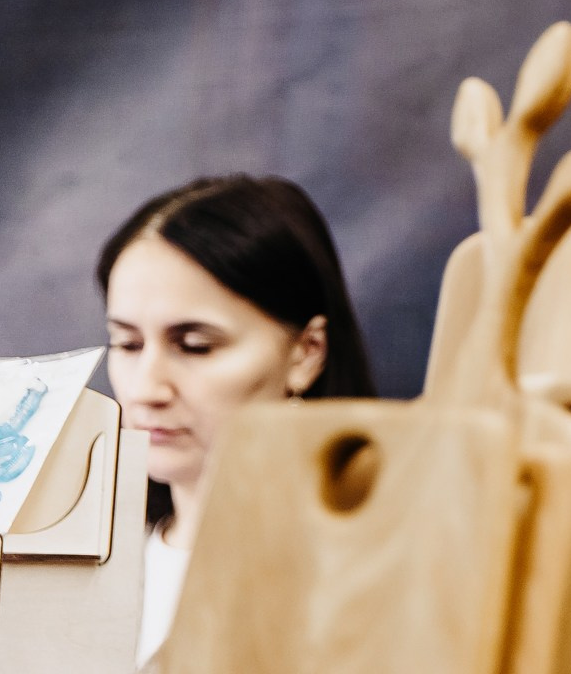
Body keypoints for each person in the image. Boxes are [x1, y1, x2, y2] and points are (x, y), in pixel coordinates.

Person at [98, 175, 376, 669]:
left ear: (306, 353)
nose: (146, 388)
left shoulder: (376, 572)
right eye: (128, 344)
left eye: (195, 345)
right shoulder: (74, 566)